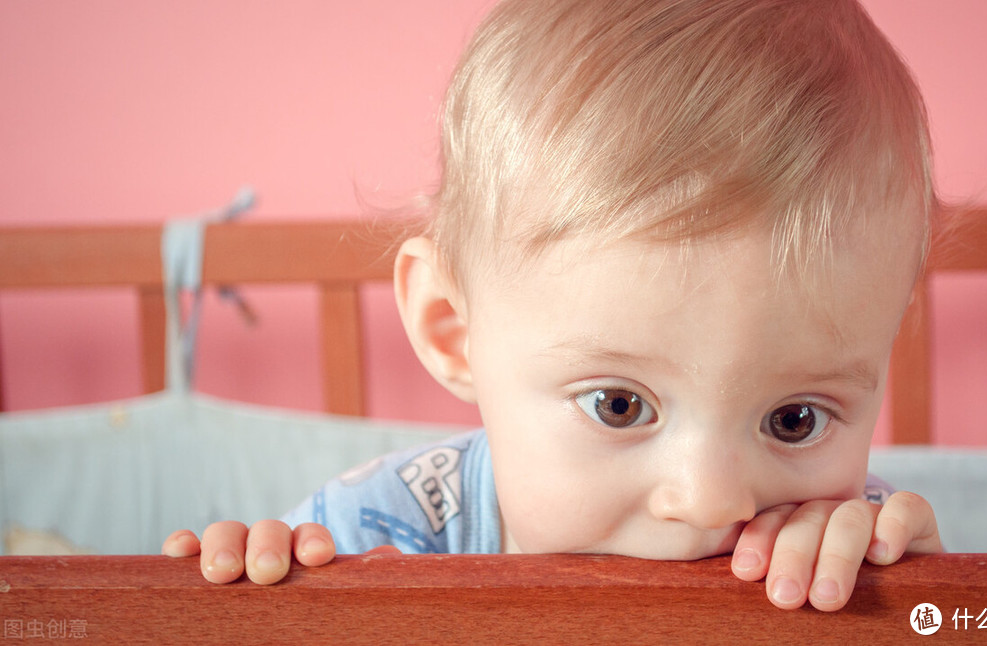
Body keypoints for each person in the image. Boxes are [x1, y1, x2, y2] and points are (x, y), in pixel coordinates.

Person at [163, 0, 943, 611]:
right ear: (453, 329)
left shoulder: (849, 553)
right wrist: (259, 612)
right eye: (618, 404)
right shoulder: (368, 540)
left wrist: (924, 610)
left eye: (794, 420)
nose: (710, 500)